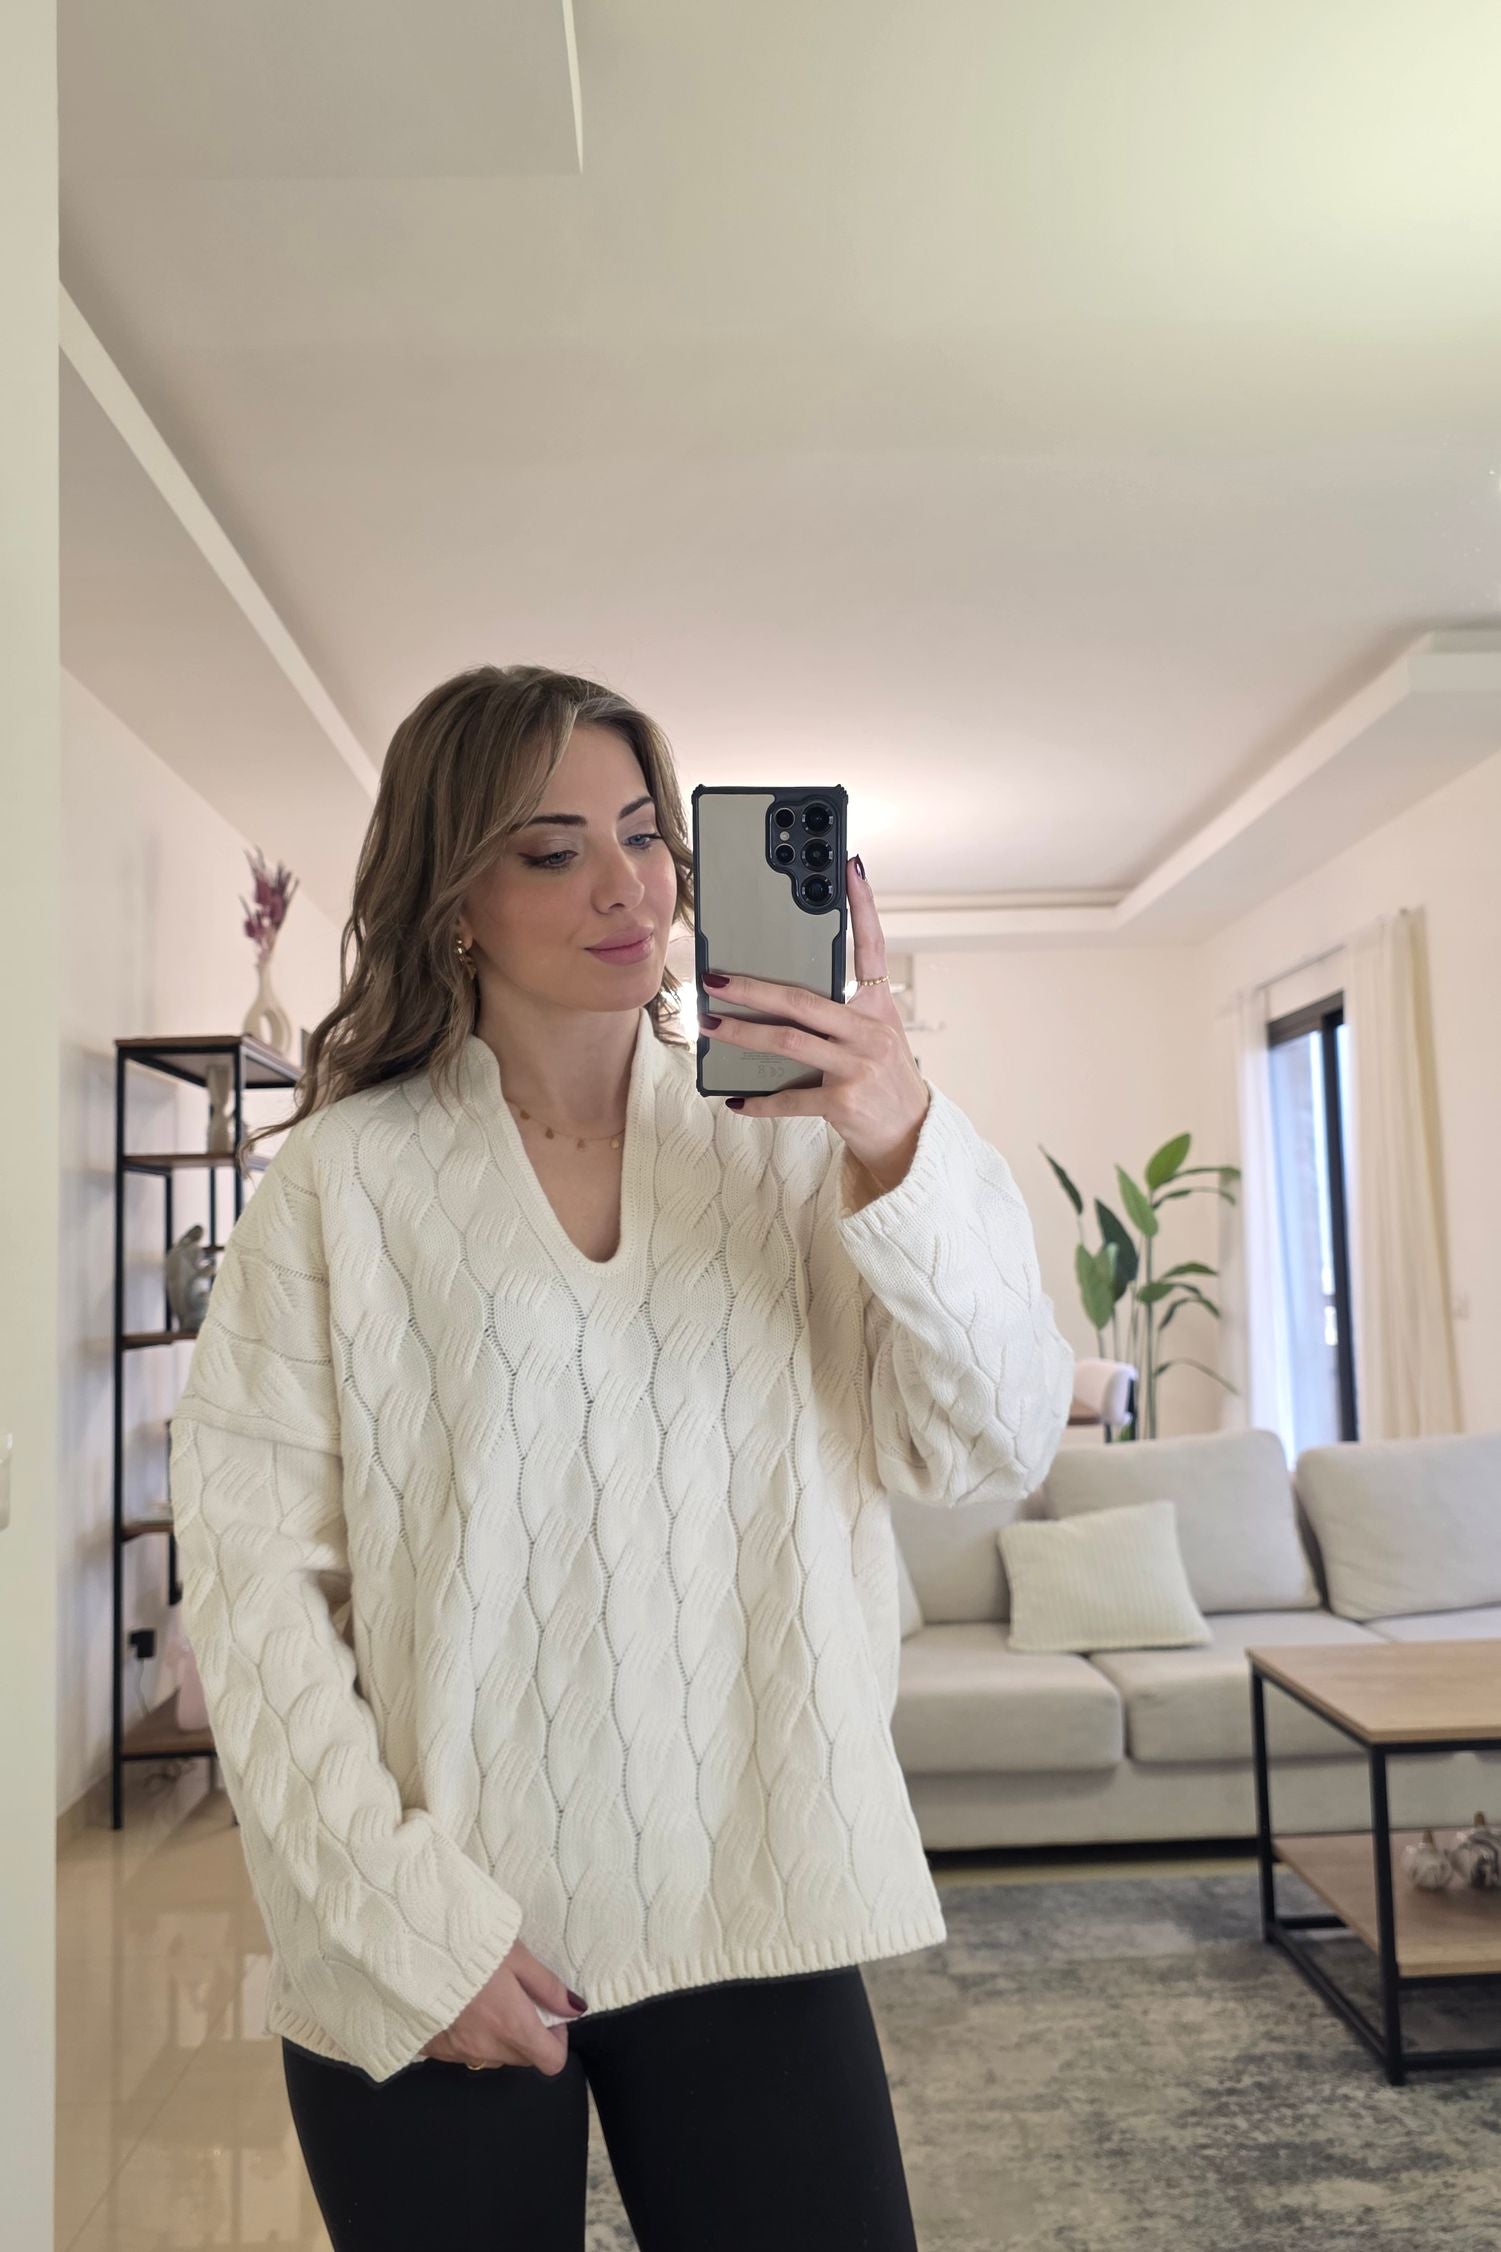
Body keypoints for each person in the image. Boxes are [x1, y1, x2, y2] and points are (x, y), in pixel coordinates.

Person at [168, 663, 1075, 2252]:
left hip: (754, 1895)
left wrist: (900, 1136)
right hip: (440, 1930)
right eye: (551, 849)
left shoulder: (804, 1151)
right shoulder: (342, 1184)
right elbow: (253, 1590)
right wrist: (401, 1924)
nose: (628, 887)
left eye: (648, 834)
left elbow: (990, 1442)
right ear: (453, 897)